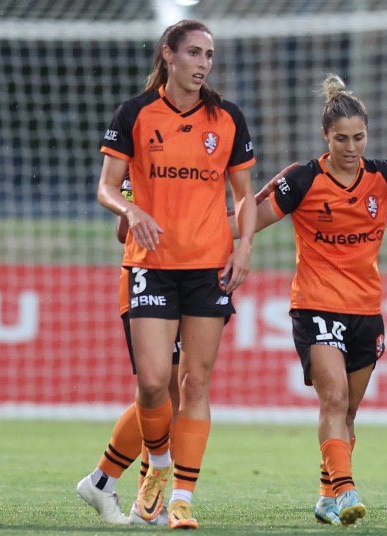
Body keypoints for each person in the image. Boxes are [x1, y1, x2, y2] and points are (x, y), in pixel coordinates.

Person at [249, 73, 387, 527]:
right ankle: (346, 490)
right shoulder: (303, 179)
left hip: (365, 310)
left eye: (359, 137)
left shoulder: (381, 175)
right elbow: (249, 223)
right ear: (326, 136)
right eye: (341, 138)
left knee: (349, 410)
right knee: (335, 399)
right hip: (315, 305)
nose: (351, 147)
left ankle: (326, 496)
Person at [95, 19, 257, 529]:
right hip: (151, 266)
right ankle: (157, 467)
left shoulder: (227, 117)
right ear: (169, 54)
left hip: (208, 267)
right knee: (153, 383)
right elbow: (106, 187)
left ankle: (182, 498)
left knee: (194, 382)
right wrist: (131, 210)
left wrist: (245, 246)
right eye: (193, 53)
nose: (203, 63)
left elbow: (244, 195)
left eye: (209, 55)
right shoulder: (135, 113)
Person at [76, 176, 181, 526]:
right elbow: (124, 231)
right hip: (148, 279)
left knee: (171, 395)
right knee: (161, 392)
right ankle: (140, 500)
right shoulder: (144, 160)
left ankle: (109, 485)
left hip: (185, 278)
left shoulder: (197, 156)